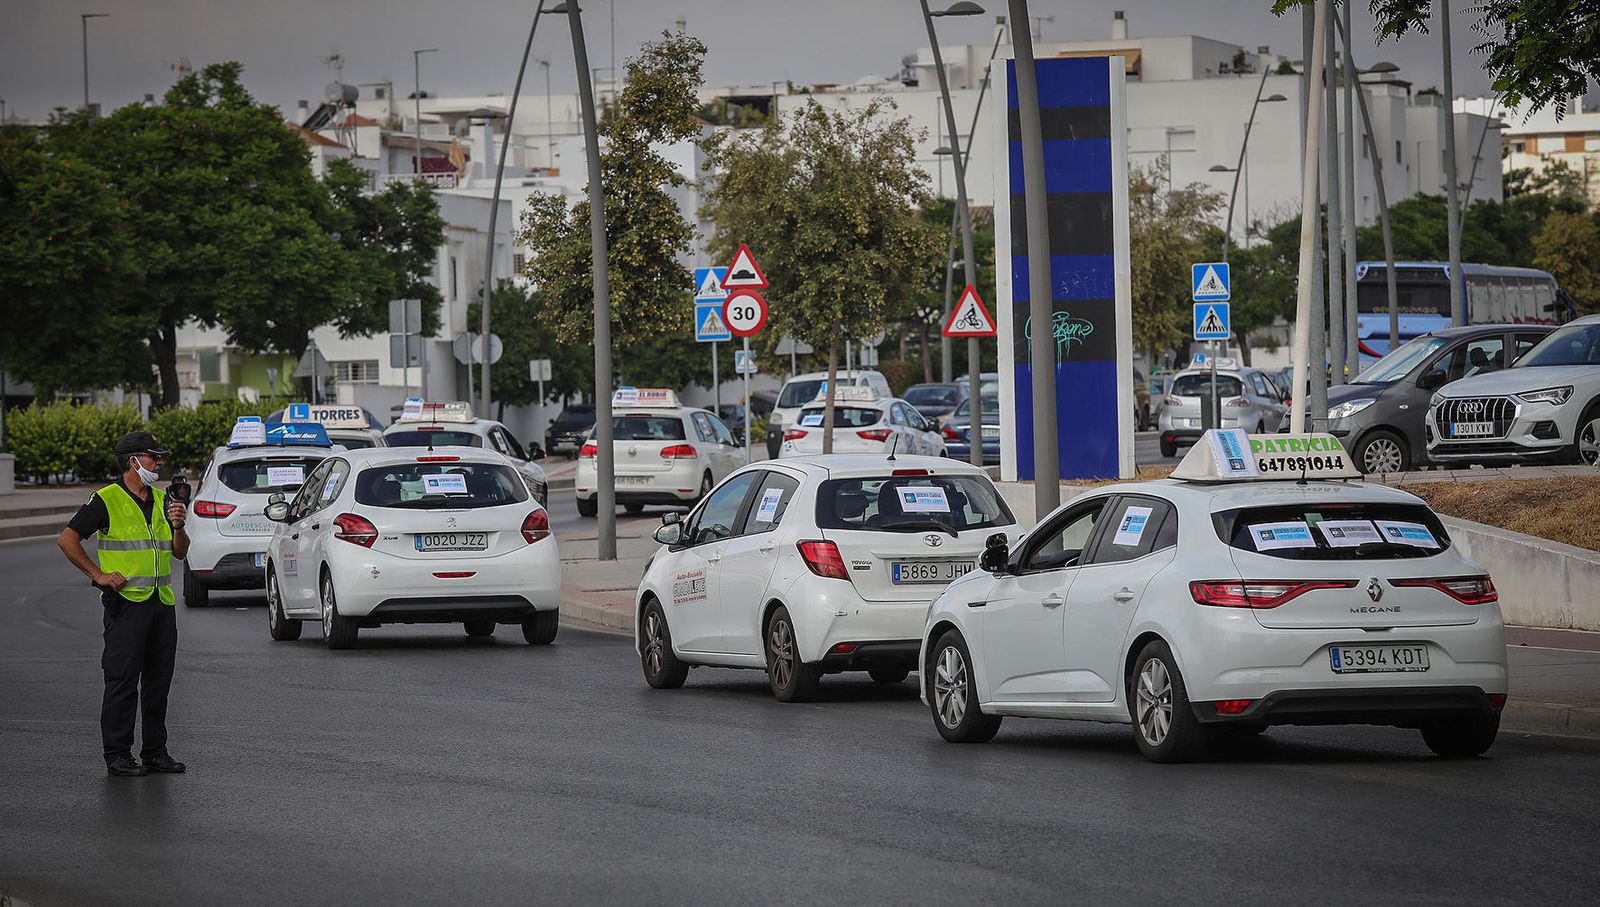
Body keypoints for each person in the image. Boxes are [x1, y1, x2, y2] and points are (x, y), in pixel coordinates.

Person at [57, 431, 190, 777]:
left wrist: (179, 526)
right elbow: (67, 539)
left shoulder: (163, 499)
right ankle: (117, 754)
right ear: (133, 461)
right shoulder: (106, 499)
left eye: (159, 457)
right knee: (122, 680)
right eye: (152, 457)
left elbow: (179, 551)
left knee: (159, 682)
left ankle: (155, 752)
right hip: (127, 605)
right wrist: (98, 574)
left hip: (161, 603)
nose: (159, 463)